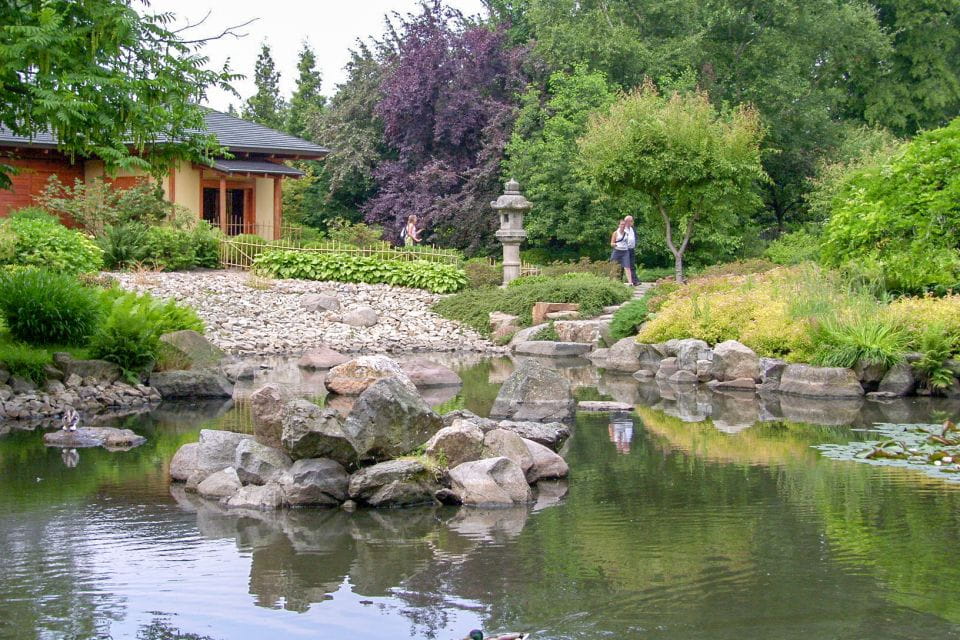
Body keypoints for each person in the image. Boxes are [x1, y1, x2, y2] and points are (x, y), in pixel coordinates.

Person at [609, 218, 635, 285]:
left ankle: (630, 283)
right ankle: (611, 281)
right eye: (621, 224)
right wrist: (615, 244)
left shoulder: (626, 233)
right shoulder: (615, 233)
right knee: (614, 266)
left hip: (625, 252)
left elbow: (629, 241)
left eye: (624, 224)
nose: (623, 226)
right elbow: (611, 243)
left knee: (627, 267)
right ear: (619, 225)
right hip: (617, 251)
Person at [624, 215, 639, 286]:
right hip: (624, 250)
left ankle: (635, 281)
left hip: (631, 249)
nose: (632, 222)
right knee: (624, 266)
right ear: (627, 222)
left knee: (632, 265)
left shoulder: (632, 229)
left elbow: (635, 237)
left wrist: (635, 243)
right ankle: (617, 280)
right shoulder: (622, 229)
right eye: (631, 221)